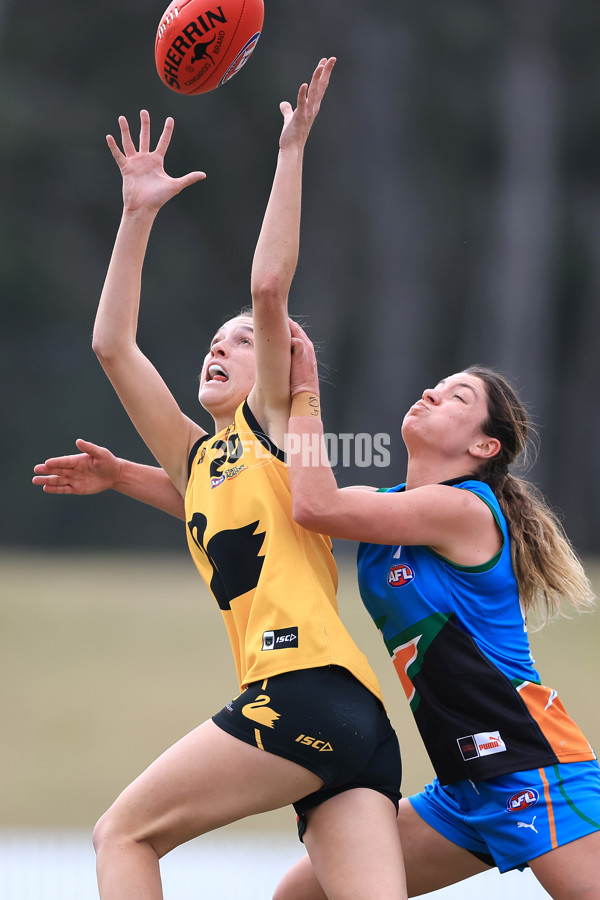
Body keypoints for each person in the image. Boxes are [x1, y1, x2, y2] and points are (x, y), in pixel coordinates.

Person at [34, 58, 408, 900]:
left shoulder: (278, 425)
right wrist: (134, 215)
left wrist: (292, 150)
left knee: (121, 834)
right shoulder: (198, 459)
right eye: (214, 339)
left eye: (240, 342)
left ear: (275, 365)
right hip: (358, 725)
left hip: (300, 690)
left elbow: (270, 284)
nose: (219, 346)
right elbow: (113, 347)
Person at [270, 321, 600, 899]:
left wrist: (304, 395)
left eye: (457, 397)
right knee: (301, 895)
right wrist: (127, 477)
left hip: (534, 767)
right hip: (463, 788)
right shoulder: (383, 509)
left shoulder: (464, 509)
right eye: (438, 386)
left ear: (484, 447)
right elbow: (273, 507)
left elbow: (312, 504)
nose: (431, 393)